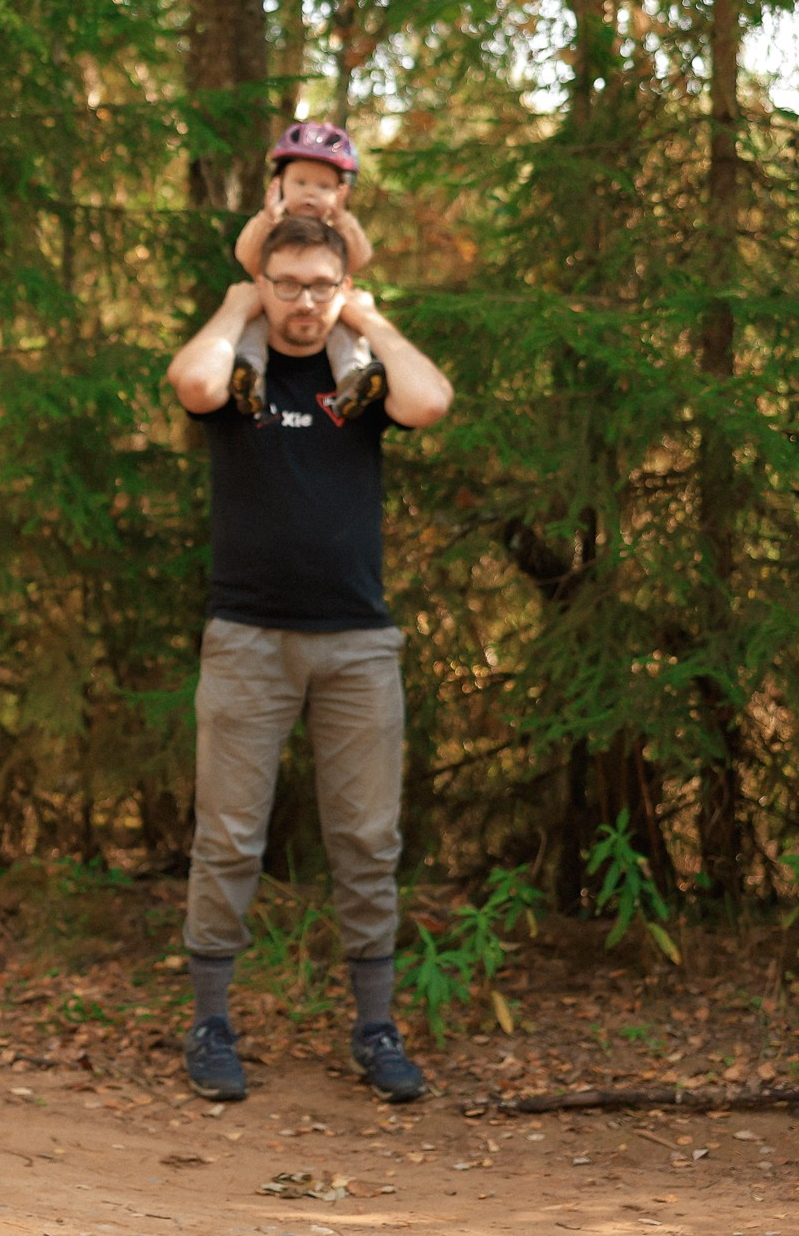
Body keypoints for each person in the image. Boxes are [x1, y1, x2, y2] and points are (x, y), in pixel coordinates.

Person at [163, 214, 455, 1106]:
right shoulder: (243, 372)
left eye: (319, 287)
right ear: (263, 286)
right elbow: (192, 382)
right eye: (285, 286)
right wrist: (233, 303)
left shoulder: (361, 382)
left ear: (343, 288)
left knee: (367, 842)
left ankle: (375, 1026)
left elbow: (431, 402)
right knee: (228, 839)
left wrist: (371, 320)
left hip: (358, 643)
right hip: (247, 639)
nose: (302, 305)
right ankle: (211, 1023)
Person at [228, 122, 381, 422]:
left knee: (347, 331)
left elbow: (361, 258)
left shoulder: (337, 228)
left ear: (341, 192)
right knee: (252, 327)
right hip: (275, 303)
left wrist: (343, 218)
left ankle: (353, 379)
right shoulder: (273, 224)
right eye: (300, 183)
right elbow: (247, 257)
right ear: (279, 184)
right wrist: (266, 219)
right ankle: (249, 377)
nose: (310, 193)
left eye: (323, 187)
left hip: (325, 309)